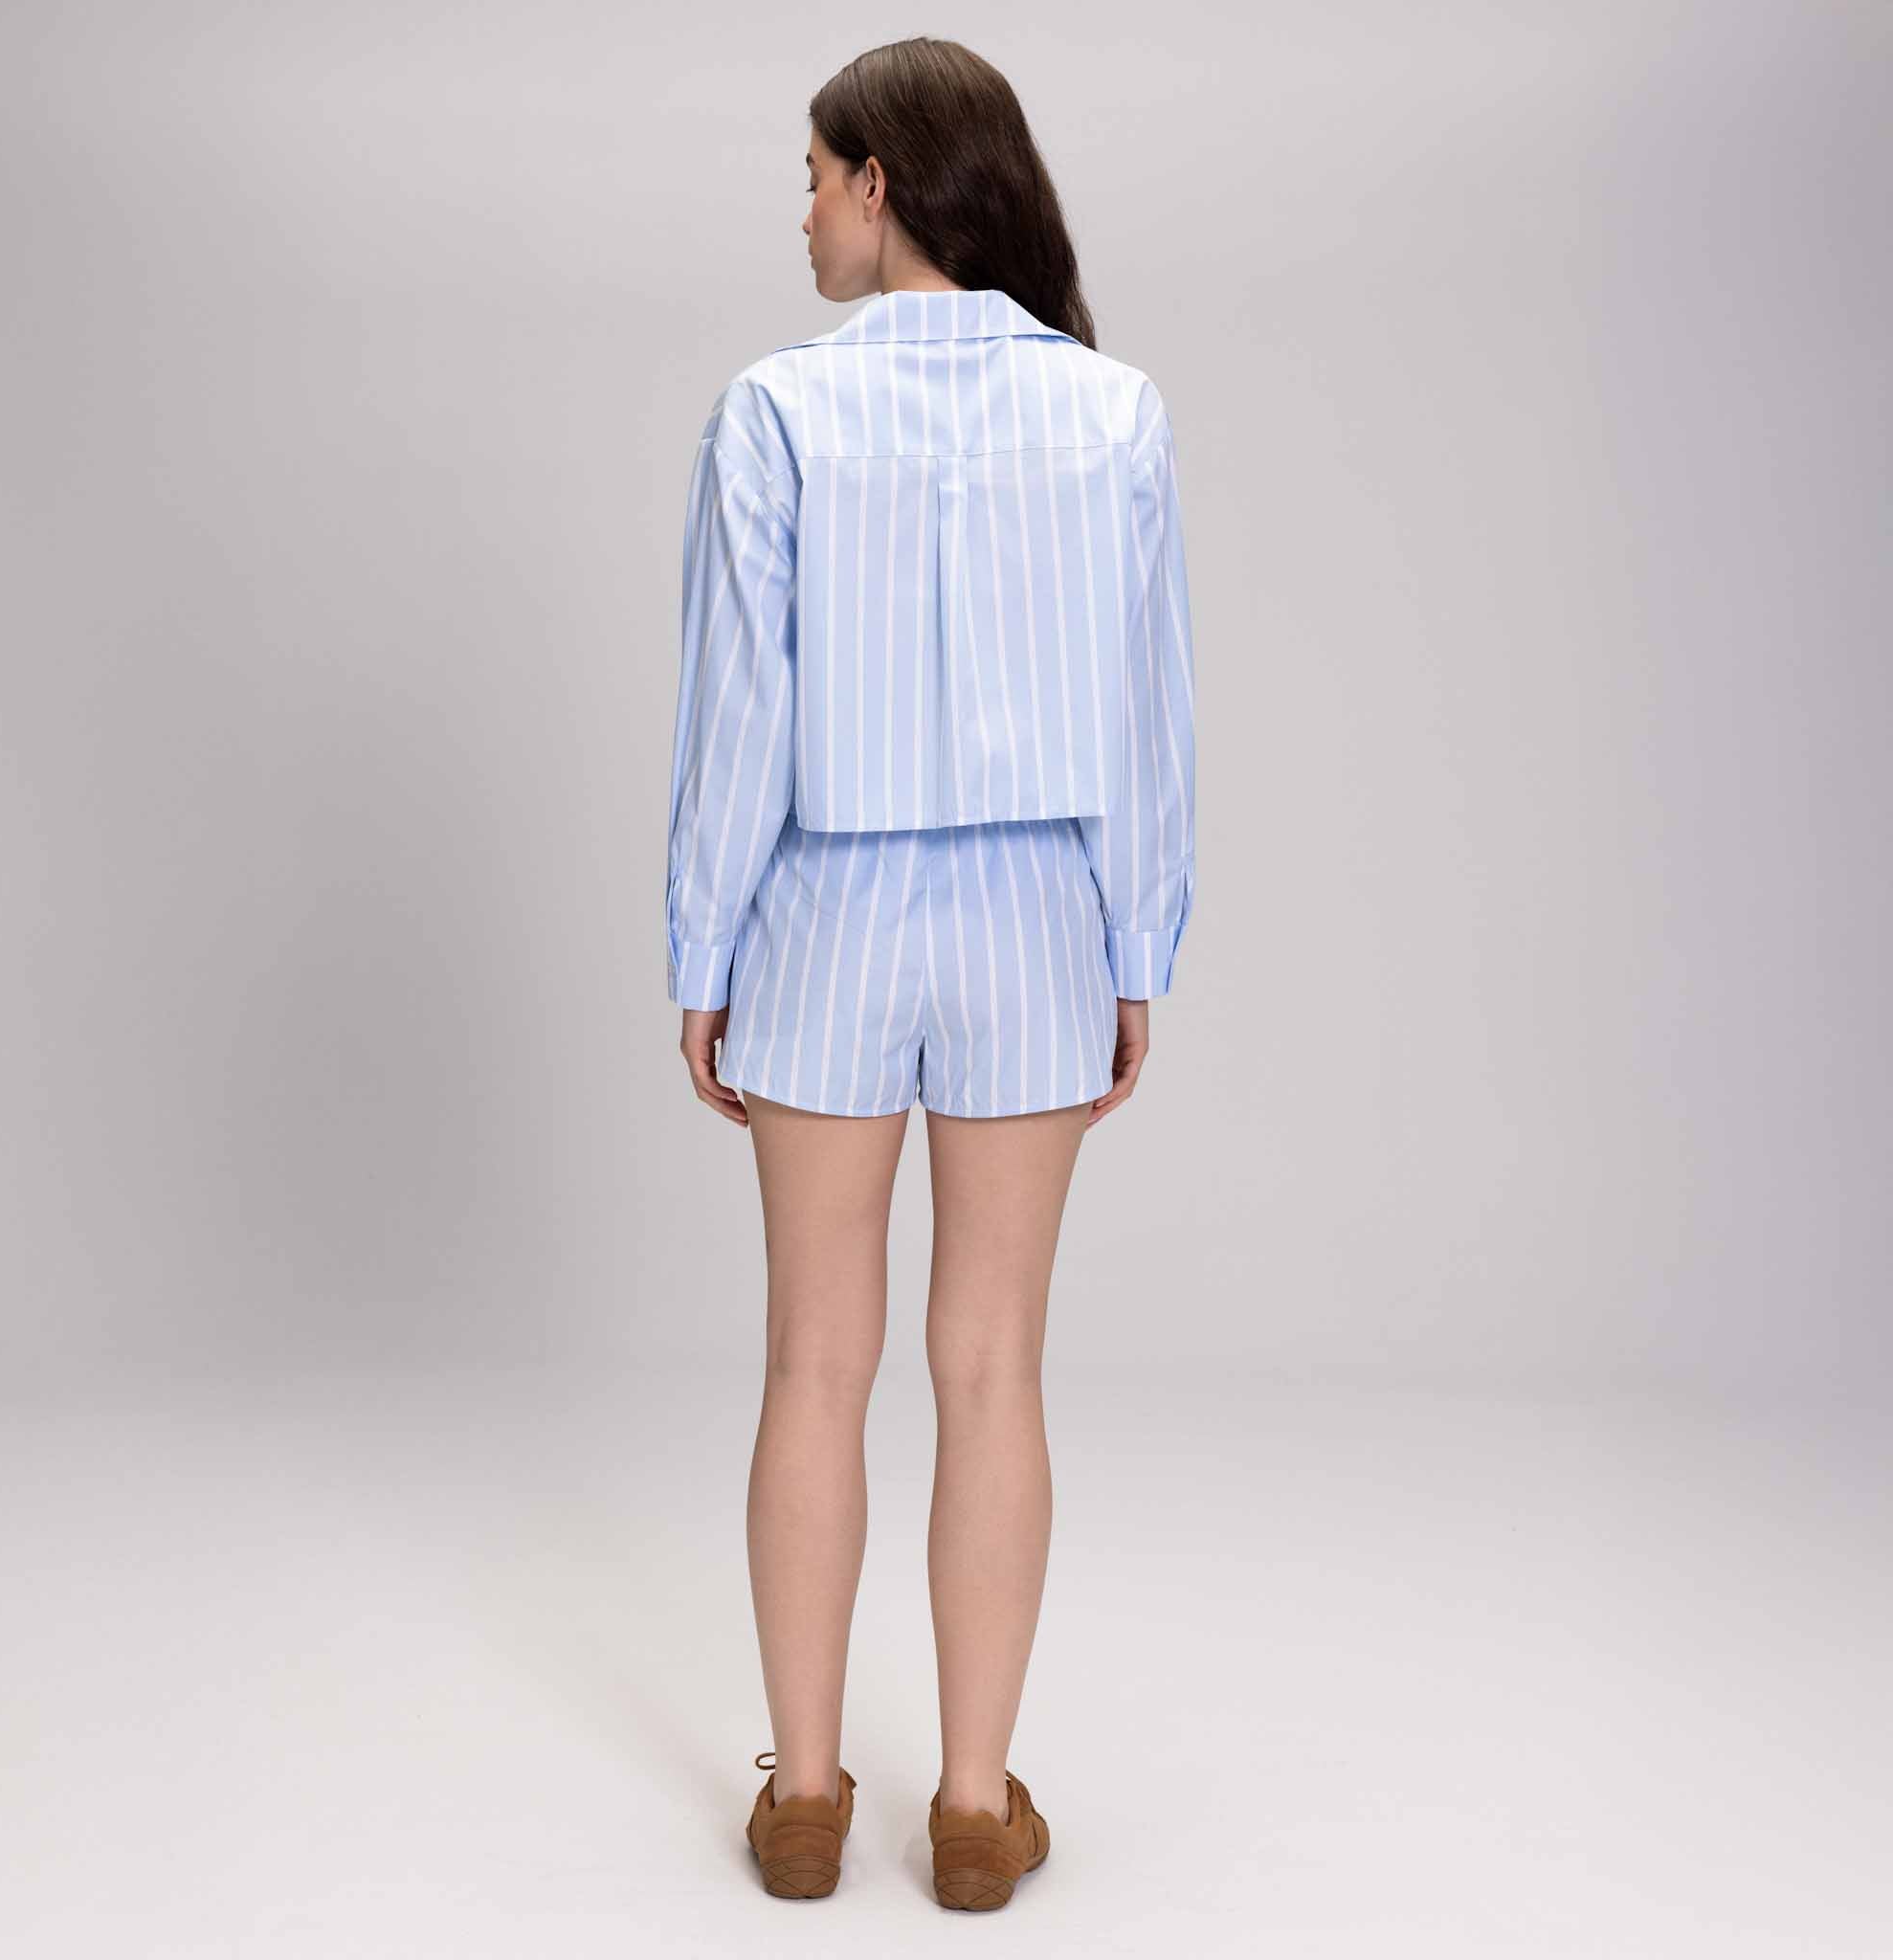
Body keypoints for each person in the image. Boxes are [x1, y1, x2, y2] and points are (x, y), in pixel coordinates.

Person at [662, 34, 1197, 1912]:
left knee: (814, 1357)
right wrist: (1136, 942)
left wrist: (703, 948)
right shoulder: (1114, 414)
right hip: (1035, 911)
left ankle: (807, 1798)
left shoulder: (774, 412)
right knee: (993, 1365)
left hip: (824, 904)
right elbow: (1145, 724)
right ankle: (973, 1810)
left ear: (881, 180)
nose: (802, 211)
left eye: (813, 176)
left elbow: (740, 716)